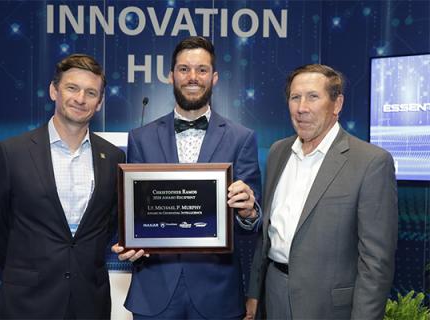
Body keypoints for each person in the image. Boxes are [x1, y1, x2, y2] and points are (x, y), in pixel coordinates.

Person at [112, 36, 262, 319]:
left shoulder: (242, 138)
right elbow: (133, 211)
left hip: (216, 293)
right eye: (184, 69)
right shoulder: (140, 138)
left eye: (202, 70)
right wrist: (129, 242)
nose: (193, 77)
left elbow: (251, 224)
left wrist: (249, 210)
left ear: (214, 77)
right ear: (171, 76)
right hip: (154, 292)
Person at [0, 54, 125, 319]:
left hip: (89, 301)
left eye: (91, 92)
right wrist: (24, 268)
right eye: (72, 88)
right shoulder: (12, 153)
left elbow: (108, 223)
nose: (80, 98)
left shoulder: (113, 157)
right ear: (53, 90)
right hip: (27, 301)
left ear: (100, 102)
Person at [246, 64, 398, 319]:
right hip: (273, 296)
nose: (302, 107)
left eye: (313, 97)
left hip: (328, 307)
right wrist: (254, 294)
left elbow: (376, 263)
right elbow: (267, 234)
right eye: (295, 97)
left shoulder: (371, 162)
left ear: (336, 104)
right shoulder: (277, 152)